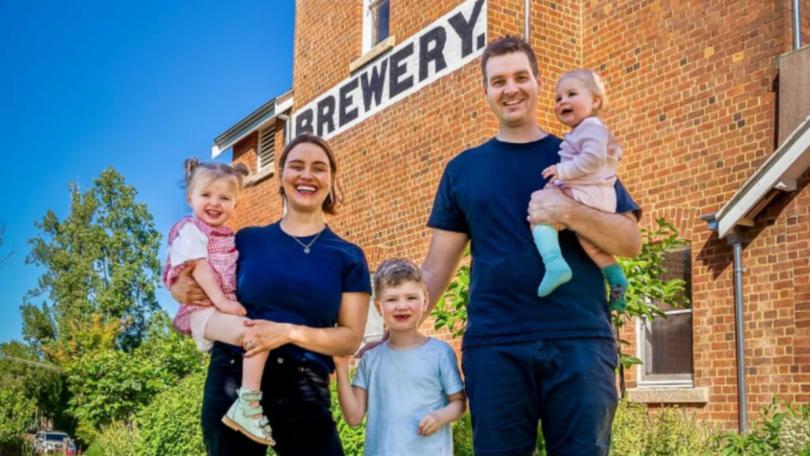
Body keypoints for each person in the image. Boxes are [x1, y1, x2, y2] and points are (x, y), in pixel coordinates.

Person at [421, 35, 641, 455]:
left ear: (538, 82)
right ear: (486, 91)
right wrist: (397, 330)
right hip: (495, 346)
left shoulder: (576, 153)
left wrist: (568, 212)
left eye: (521, 77)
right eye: (498, 81)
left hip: (580, 340)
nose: (511, 89)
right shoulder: (463, 170)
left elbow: (630, 241)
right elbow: (435, 269)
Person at [170, 133, 371, 455]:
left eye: (318, 168)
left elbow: (349, 338)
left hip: (304, 384)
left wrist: (286, 332)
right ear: (281, 177)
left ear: (332, 179)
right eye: (297, 166)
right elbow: (197, 270)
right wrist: (179, 288)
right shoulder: (247, 240)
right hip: (235, 378)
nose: (307, 175)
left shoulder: (347, 256)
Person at [163, 159, 274, 445]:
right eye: (206, 195)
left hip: (215, 311)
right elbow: (200, 268)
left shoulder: (227, 236)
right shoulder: (189, 229)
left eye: (224, 198)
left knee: (258, 336)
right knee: (257, 334)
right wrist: (223, 303)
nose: (215, 203)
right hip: (205, 310)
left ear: (236, 203)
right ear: (190, 197)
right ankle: (248, 405)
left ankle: (247, 402)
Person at [333, 258, 465, 456]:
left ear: (425, 301)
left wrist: (439, 417)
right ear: (378, 307)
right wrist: (341, 368)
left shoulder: (440, 353)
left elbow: (459, 403)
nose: (401, 306)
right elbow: (354, 417)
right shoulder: (371, 359)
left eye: (411, 297)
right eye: (392, 299)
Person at [533, 68, 629, 310]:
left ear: (594, 100)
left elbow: (593, 158)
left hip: (586, 193)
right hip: (598, 197)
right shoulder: (591, 130)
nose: (562, 101)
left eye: (571, 94)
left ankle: (554, 263)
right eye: (558, 98)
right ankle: (616, 279)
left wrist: (562, 171)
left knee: (540, 213)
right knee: (591, 246)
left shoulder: (591, 127)